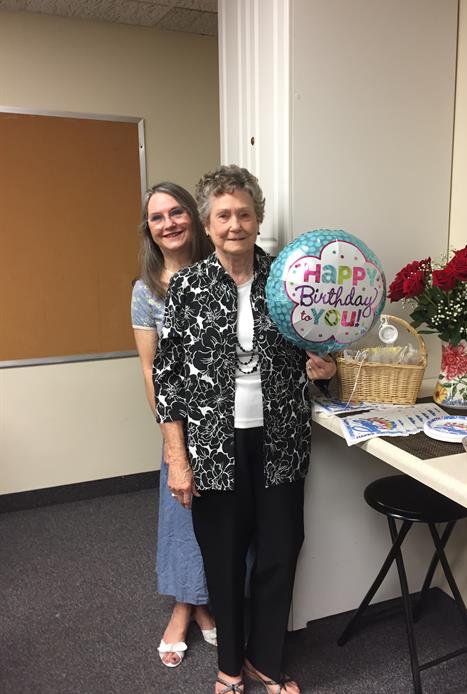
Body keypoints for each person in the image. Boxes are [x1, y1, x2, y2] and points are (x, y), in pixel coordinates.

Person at [153, 166, 336, 693]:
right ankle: (229, 666)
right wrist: (178, 458)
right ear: (208, 225)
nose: (235, 224)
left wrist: (322, 369)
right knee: (225, 560)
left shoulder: (289, 280)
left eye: (244, 214)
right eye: (223, 215)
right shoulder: (187, 286)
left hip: (280, 441)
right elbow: (167, 378)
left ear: (258, 220)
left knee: (279, 553)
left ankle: (267, 661)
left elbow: (313, 354)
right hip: (212, 447)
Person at [131, 181, 216, 667]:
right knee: (182, 515)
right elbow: (149, 367)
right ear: (150, 229)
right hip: (181, 423)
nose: (168, 223)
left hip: (230, 420)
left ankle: (203, 602)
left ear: (194, 216)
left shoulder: (221, 273)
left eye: (176, 212)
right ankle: (187, 609)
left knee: (222, 518)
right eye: (157, 217)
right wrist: (170, 435)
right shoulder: (146, 290)